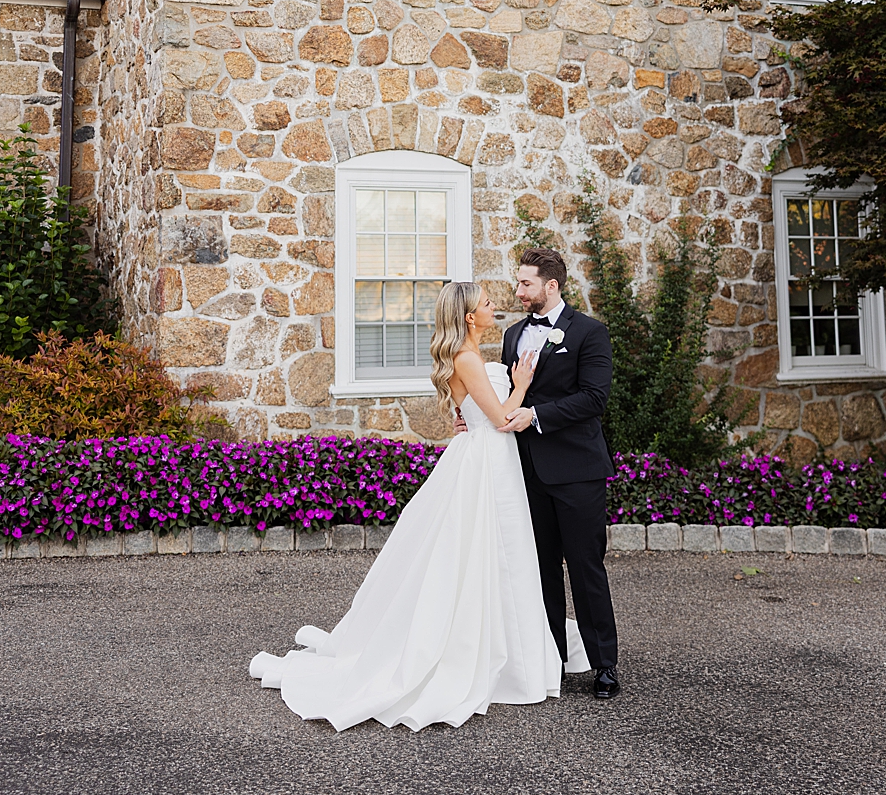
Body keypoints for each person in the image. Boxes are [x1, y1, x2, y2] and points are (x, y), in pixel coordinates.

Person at [248, 281, 588, 730]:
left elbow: (476, 414)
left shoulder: (466, 356)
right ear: (469, 316)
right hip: (487, 461)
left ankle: (513, 649)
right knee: (489, 552)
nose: (494, 307)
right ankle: (491, 656)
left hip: (491, 459)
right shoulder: (466, 359)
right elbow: (504, 419)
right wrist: (521, 384)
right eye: (486, 303)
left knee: (501, 554)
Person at [495, 247, 622, 700]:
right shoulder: (512, 335)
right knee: (540, 568)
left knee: (586, 567)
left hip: (577, 471)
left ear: (551, 286)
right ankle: (551, 658)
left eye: (525, 284)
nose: (518, 291)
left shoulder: (590, 333)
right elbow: (506, 396)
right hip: (525, 472)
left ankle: (604, 663)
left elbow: (594, 399)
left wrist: (536, 415)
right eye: (518, 283)